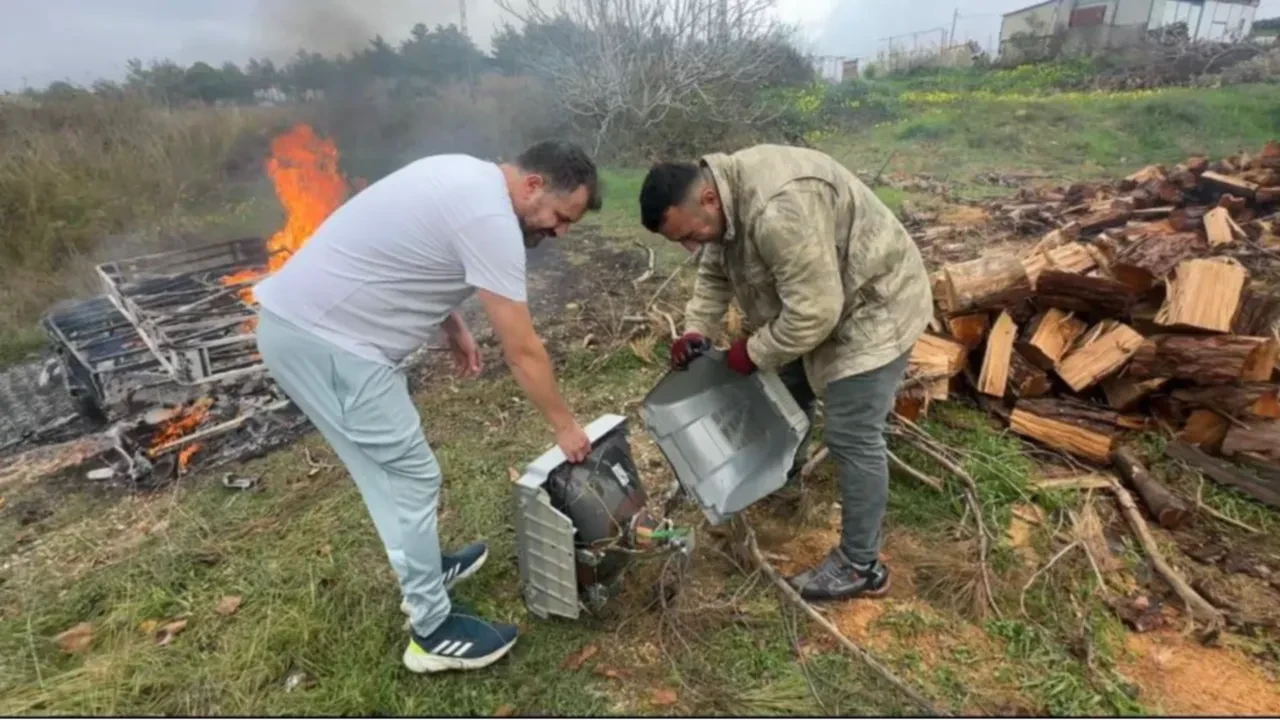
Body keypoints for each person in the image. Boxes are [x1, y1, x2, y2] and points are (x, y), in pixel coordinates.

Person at [253, 140, 601, 673]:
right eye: (560, 217)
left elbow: (407, 252)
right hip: (330, 344)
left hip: (306, 332)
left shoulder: (462, 173)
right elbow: (522, 349)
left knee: (388, 474)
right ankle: (432, 631)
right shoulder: (492, 219)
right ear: (533, 185)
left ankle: (425, 569)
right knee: (409, 477)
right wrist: (565, 426)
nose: (561, 232)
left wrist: (451, 321)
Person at [638, 144, 932, 603]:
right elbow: (715, 274)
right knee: (783, 391)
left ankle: (861, 565)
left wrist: (754, 352)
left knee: (851, 434)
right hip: (811, 306)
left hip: (873, 309)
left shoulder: (778, 208)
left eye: (691, 234)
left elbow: (816, 313)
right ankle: (781, 483)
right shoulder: (723, 204)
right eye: (681, 242)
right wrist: (697, 329)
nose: (691, 247)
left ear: (708, 199)